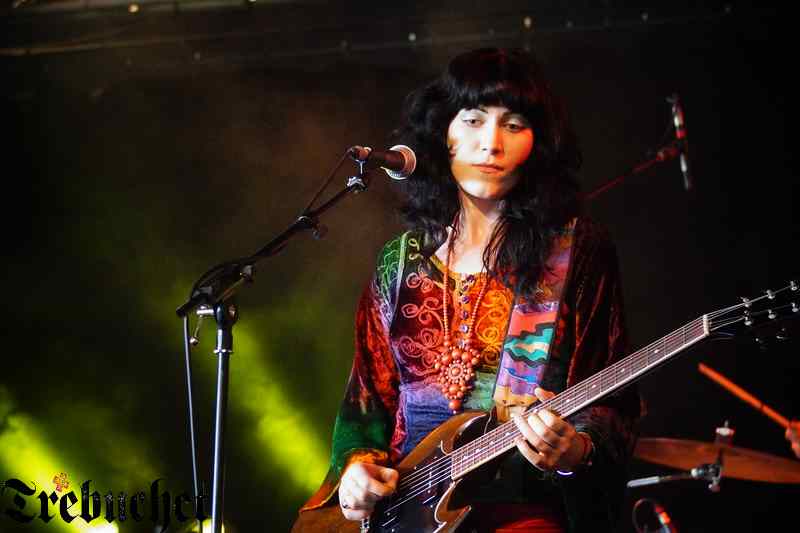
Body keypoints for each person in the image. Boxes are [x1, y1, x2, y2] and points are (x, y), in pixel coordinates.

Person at [296, 47, 641, 532]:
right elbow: (365, 404)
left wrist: (576, 450)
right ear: (444, 134)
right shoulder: (399, 262)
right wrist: (356, 471)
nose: (491, 145)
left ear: (538, 144)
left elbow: (614, 398)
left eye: (513, 125)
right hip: (405, 518)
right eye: (474, 121)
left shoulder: (576, 252)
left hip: (521, 513)